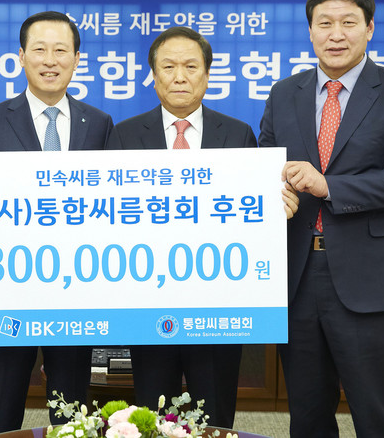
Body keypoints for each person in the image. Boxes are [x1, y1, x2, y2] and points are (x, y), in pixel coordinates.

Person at [259, 0, 384, 437]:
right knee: (307, 417)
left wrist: (328, 186)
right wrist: (271, 193)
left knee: (375, 416)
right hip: (297, 278)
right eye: (324, 24)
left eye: (348, 23)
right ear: (310, 31)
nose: (336, 34)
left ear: (369, 28)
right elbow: (265, 167)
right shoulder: (284, 92)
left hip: (369, 278)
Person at [107, 26, 298, 428]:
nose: (180, 76)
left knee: (215, 415)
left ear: (208, 75)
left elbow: (252, 214)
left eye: (191, 67)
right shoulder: (123, 135)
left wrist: (276, 206)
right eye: (169, 67)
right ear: (153, 76)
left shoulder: (238, 134)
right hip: (147, 299)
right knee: (151, 415)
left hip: (217, 303)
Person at [0, 11, 114, 436]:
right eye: (40, 50)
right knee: (1, 408)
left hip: (76, 289)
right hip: (6, 287)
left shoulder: (99, 124)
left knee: (72, 410)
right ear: (21, 57)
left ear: (77, 59)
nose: (50, 60)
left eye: (61, 50)